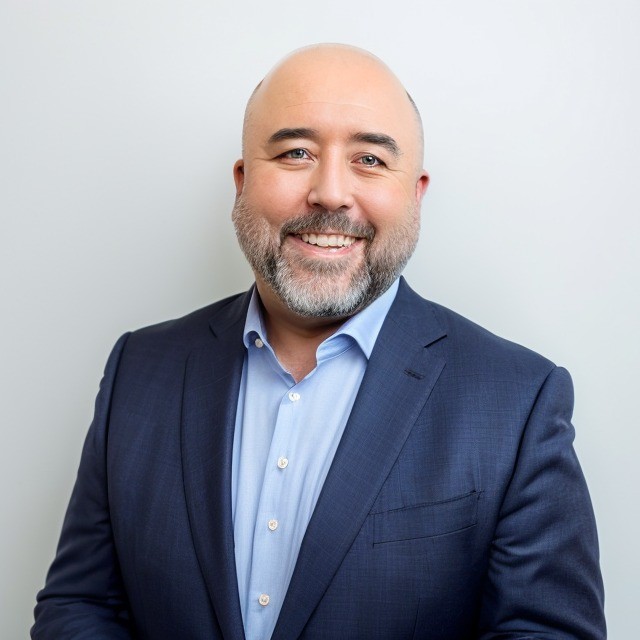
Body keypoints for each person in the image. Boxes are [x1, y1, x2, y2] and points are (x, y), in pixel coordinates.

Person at [32, 44, 606, 639]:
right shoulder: (139, 369)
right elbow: (80, 606)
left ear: (415, 194)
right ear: (242, 182)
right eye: (296, 153)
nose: (330, 192)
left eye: (370, 160)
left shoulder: (518, 401)